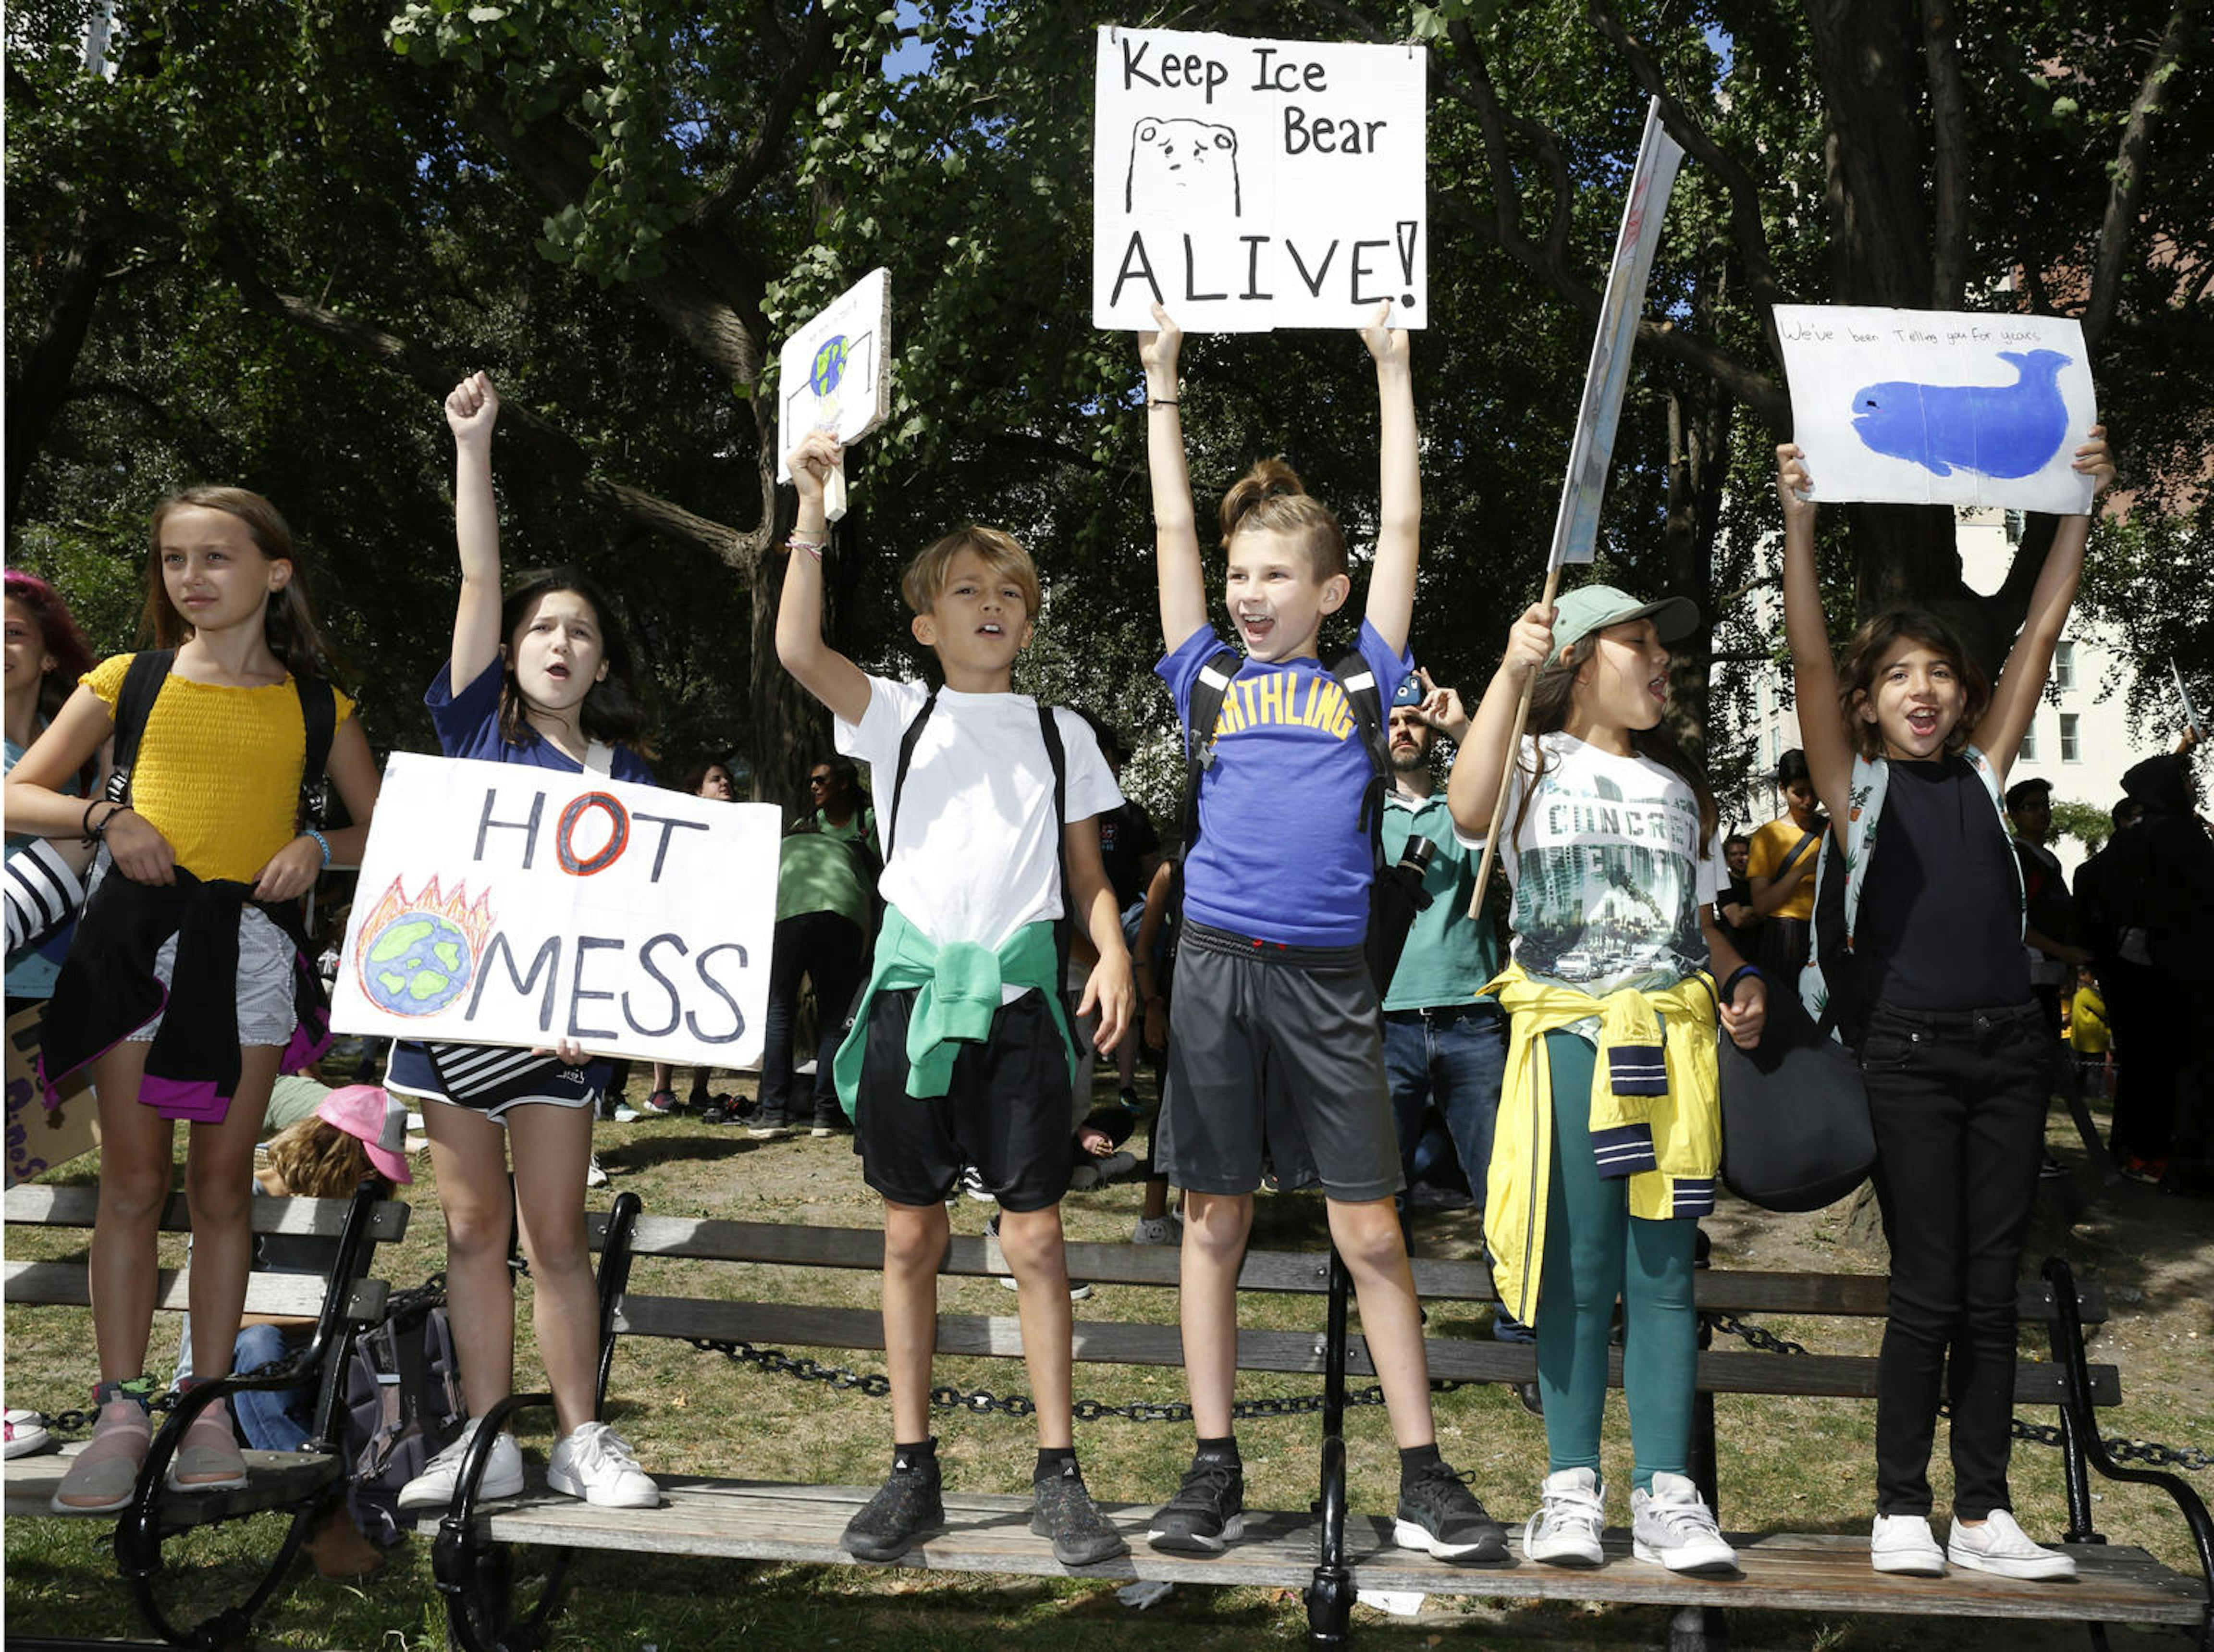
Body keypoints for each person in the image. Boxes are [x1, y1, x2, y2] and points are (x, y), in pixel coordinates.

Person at [1137, 300, 1505, 1565]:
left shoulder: (1367, 678)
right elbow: (1173, 521)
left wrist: (1395, 371)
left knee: (1371, 1226)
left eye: (1276, 574)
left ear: (1331, 590)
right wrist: (1161, 382)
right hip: (1215, 973)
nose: (1248, 592)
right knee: (1213, 1220)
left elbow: (1406, 520)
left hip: (1336, 985)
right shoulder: (1208, 676)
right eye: (1240, 575)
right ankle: (1213, 1463)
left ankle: (1424, 1470)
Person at [776, 427, 1135, 1568]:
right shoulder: (893, 713)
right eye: (965, 590)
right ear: (925, 623)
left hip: (1024, 1009)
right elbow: (796, 643)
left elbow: (1086, 876)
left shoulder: (1059, 729)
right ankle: (910, 1466)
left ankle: (1058, 1470)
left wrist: (1113, 950)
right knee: (910, 1235)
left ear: (1029, 622)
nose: (991, 603)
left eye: (1009, 593)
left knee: (1034, 1239)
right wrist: (811, 510)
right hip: (912, 1002)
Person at [1776, 428, 2113, 1580]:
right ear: (1869, 707)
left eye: (1939, 675)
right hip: (1909, 1062)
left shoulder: (1983, 770)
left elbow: (2043, 633)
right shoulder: (1853, 791)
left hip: (2010, 1054)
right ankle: (1897, 1508)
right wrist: (1800, 526)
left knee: (1990, 1286)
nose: (1920, 691)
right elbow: (1811, 662)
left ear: (1966, 698)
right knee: (1926, 1289)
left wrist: (2077, 505)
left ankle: (1982, 1513)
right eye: (1896, 678)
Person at [6, 489, 381, 1514]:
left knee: (222, 1192)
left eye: (216, 557)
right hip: (134, 953)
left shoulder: (317, 704)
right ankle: (122, 1410)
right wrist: (102, 814)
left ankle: (204, 1402)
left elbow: (387, 829)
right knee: (132, 1186)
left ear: (275, 572)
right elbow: (13, 792)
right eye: (174, 559)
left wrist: (319, 845)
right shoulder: (126, 681)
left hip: (251, 959)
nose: (191, 578)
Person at [1446, 585, 1764, 1578]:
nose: (1662, 661)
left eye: (1664, 647)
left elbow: (1698, 929)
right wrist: (1509, 669)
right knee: (1576, 1273)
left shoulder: (1682, 792)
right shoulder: (1532, 765)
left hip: (1670, 1055)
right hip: (1571, 1044)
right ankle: (1569, 1490)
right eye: (1640, 644)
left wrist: (1741, 975)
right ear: (1579, 659)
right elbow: (1465, 806)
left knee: (1666, 1275)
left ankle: (1670, 1493)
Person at [387, 373, 659, 1514]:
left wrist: (605, 1014)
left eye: (581, 631)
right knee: (469, 1227)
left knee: (554, 1233)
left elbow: (649, 923)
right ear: (511, 650)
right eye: (544, 627)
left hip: (561, 1038)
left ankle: (582, 1437)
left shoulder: (630, 781)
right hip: (457, 1025)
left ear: (604, 663)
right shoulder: (471, 729)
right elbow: (478, 574)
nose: (559, 640)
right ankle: (485, 1435)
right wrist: (473, 446)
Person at [175, 1084, 413, 1579]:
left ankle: (371, 1492)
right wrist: (321, 1312)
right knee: (259, 1342)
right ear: (331, 1153)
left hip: (319, 1365)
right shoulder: (244, 1198)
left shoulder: (350, 1203)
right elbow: (213, 1313)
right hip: (231, 1382)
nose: (373, 1182)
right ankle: (325, 1518)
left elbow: (343, 1309)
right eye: (367, 1168)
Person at [1377, 667, 1525, 1323]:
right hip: (1384, 1027)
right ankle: (1399, 1334)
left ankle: (1520, 1326)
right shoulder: (1359, 814)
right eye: (1394, 719)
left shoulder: (1468, 806)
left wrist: (1463, 724)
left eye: (1415, 719)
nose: (1405, 729)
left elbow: (1519, 789)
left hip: (1473, 1018)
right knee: (1383, 1193)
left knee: (1503, 1183)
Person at [752, 754, 878, 1138]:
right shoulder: (804, 824)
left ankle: (773, 1111)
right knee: (833, 1015)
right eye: (811, 781)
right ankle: (825, 1113)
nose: (813, 787)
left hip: (797, 915)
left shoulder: (871, 821)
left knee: (780, 1010)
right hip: (838, 916)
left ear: (844, 783)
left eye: (821, 780)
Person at [4, 569, 98, 996]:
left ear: (49, 656)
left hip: (66, 986)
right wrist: (102, 812)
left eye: (14, 632)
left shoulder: (86, 754)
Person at [645, 760, 741, 1118]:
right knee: (670, 999)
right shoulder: (681, 829)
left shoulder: (745, 832)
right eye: (715, 779)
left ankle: (701, 1090)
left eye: (728, 779)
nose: (725, 784)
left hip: (722, 931)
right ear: (697, 791)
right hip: (680, 927)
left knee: (712, 1004)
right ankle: (661, 1090)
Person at [1744, 748, 1826, 979]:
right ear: (1782, 789)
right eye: (1799, 793)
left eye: (1813, 791)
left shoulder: (1832, 830)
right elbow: (1761, 905)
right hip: (1785, 937)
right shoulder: (1766, 837)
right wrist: (1801, 871)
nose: (1808, 801)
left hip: (1826, 933)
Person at [1714, 832, 1759, 957]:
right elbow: (1737, 920)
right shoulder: (1724, 885)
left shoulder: (1759, 881)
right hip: (1738, 951)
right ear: (1727, 859)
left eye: (1744, 854)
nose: (1740, 858)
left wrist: (1749, 911)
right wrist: (1764, 910)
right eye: (1734, 855)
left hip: (1766, 949)